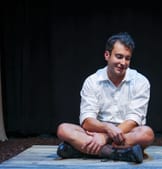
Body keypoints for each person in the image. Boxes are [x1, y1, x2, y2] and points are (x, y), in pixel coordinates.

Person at [56, 32, 155, 163]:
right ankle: (119, 153)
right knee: (63, 129)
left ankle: (79, 150)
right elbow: (87, 121)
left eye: (127, 58)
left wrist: (105, 138)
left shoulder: (141, 81)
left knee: (146, 134)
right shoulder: (92, 81)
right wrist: (107, 129)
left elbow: (133, 120)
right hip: (97, 132)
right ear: (107, 55)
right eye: (119, 57)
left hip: (126, 134)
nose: (123, 63)